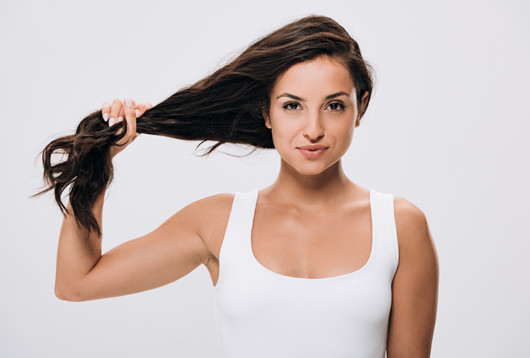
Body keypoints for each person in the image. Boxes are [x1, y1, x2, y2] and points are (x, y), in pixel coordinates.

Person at [36, 15, 438, 358]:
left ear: (360, 107)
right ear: (266, 112)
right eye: (292, 105)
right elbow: (76, 283)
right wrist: (99, 162)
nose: (313, 130)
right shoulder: (217, 222)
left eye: (334, 105)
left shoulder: (400, 226)